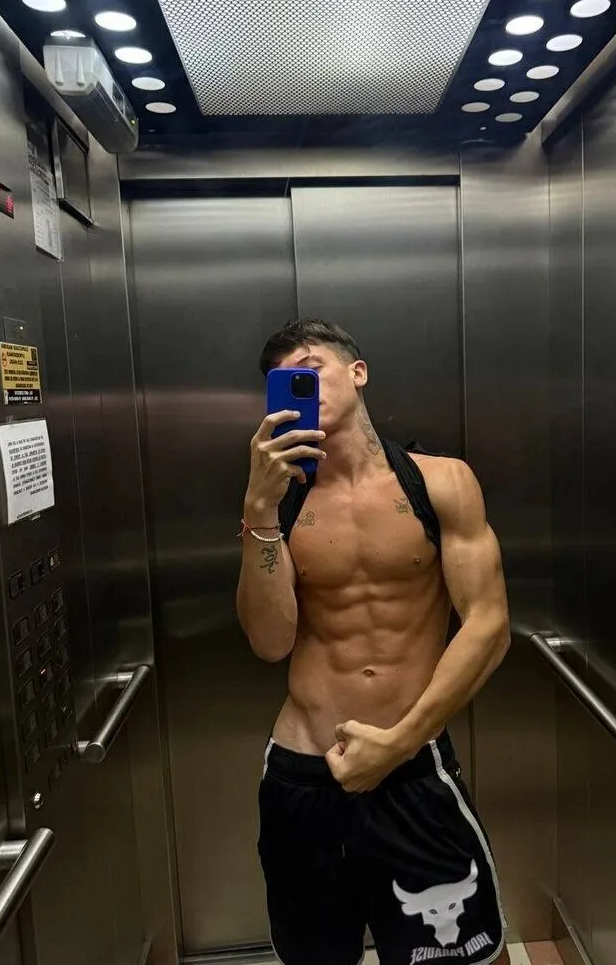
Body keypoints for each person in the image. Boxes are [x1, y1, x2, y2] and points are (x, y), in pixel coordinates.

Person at [236, 319, 512, 965]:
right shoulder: (278, 503)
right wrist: (257, 512)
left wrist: (400, 742)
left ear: (358, 372)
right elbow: (270, 642)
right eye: (284, 381)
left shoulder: (440, 482)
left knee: (468, 954)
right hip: (304, 776)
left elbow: (489, 625)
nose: (300, 385)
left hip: (409, 766)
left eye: (311, 368)